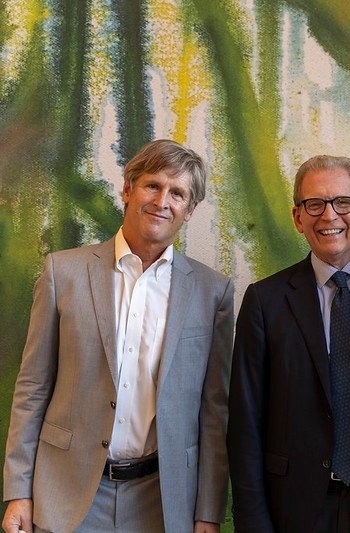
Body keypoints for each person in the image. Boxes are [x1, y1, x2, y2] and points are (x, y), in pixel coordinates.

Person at [1, 139, 234, 533]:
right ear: (128, 190)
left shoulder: (214, 293)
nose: (163, 201)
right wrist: (18, 492)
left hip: (162, 501)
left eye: (177, 193)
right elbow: (32, 388)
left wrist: (208, 512)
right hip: (65, 494)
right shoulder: (63, 272)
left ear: (190, 210)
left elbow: (215, 412)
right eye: (152, 185)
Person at [227, 155, 350, 532]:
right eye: (314, 204)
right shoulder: (264, 302)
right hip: (296, 506)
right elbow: (245, 426)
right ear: (297, 217)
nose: (329, 216)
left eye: (342, 202)